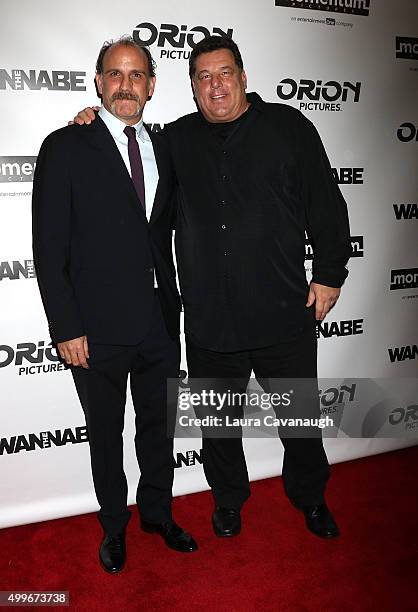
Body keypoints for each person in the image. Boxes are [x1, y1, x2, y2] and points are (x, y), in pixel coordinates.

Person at [73, 35, 352, 540]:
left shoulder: (290, 127)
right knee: (219, 427)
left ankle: (311, 498)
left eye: (224, 73)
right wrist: (91, 121)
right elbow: (121, 145)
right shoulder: (175, 141)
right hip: (208, 319)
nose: (215, 85)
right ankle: (228, 500)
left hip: (283, 311)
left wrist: (330, 273)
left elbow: (326, 205)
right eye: (203, 77)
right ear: (192, 87)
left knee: (299, 420)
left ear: (244, 77)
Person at [32, 37, 197, 575]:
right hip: (94, 330)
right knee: (106, 434)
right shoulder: (65, 146)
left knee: (159, 427)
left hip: (157, 322)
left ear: (151, 85)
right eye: (115, 74)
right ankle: (114, 526)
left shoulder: (168, 146)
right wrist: (66, 325)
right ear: (99, 82)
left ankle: (157, 514)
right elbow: (48, 246)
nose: (126, 84)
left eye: (137, 74)